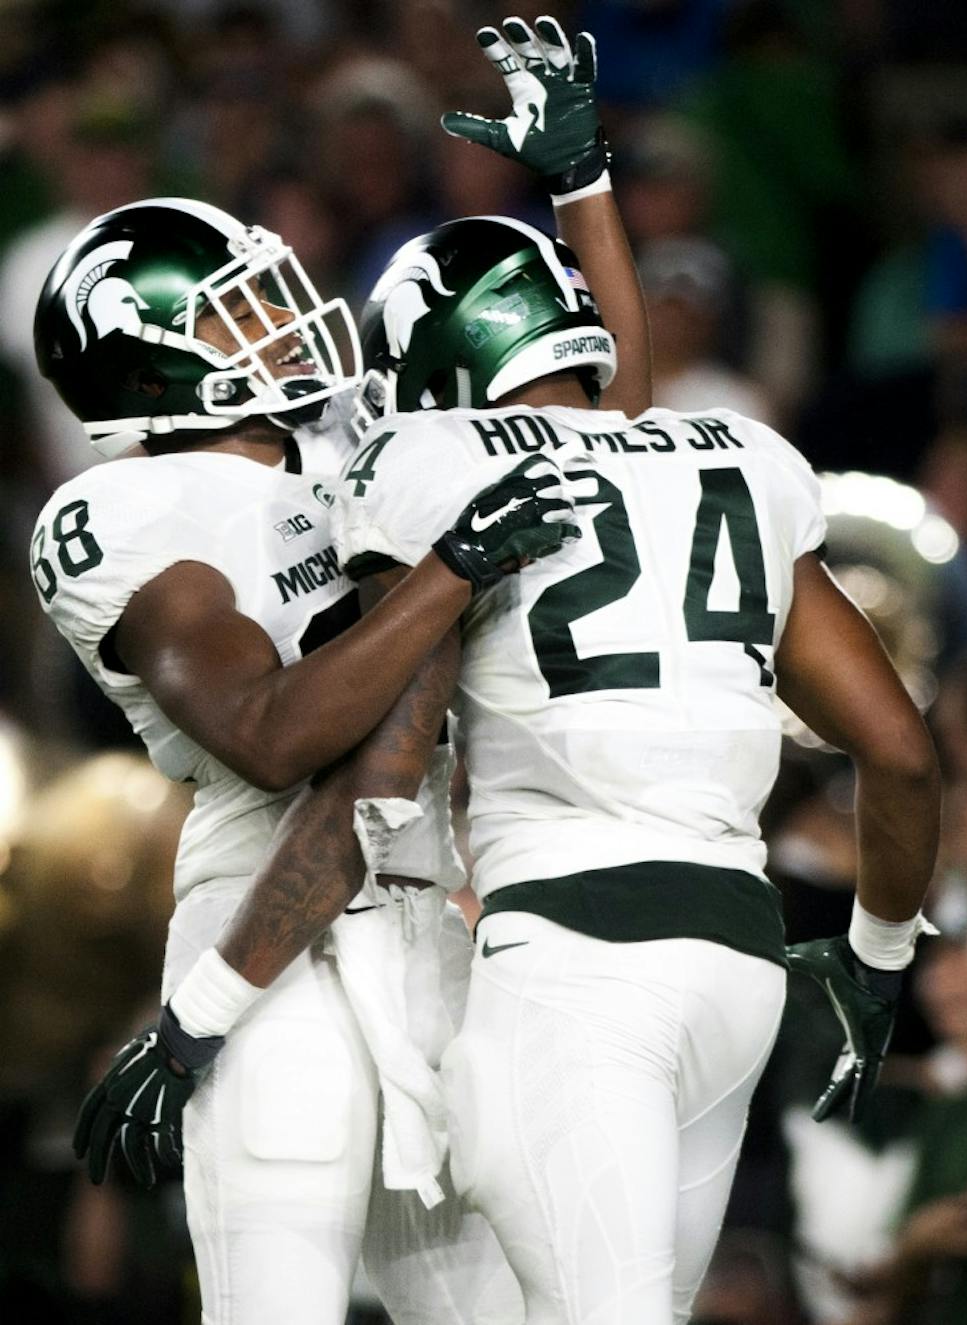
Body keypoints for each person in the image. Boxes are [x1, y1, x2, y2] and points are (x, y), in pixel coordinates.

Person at [37, 18, 651, 1323]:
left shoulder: (351, 433)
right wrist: (451, 567)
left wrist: (582, 190)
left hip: (436, 906)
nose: (284, 318)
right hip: (267, 913)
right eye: (239, 309)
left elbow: (614, 445)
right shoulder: (124, 512)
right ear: (150, 353)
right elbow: (271, 733)